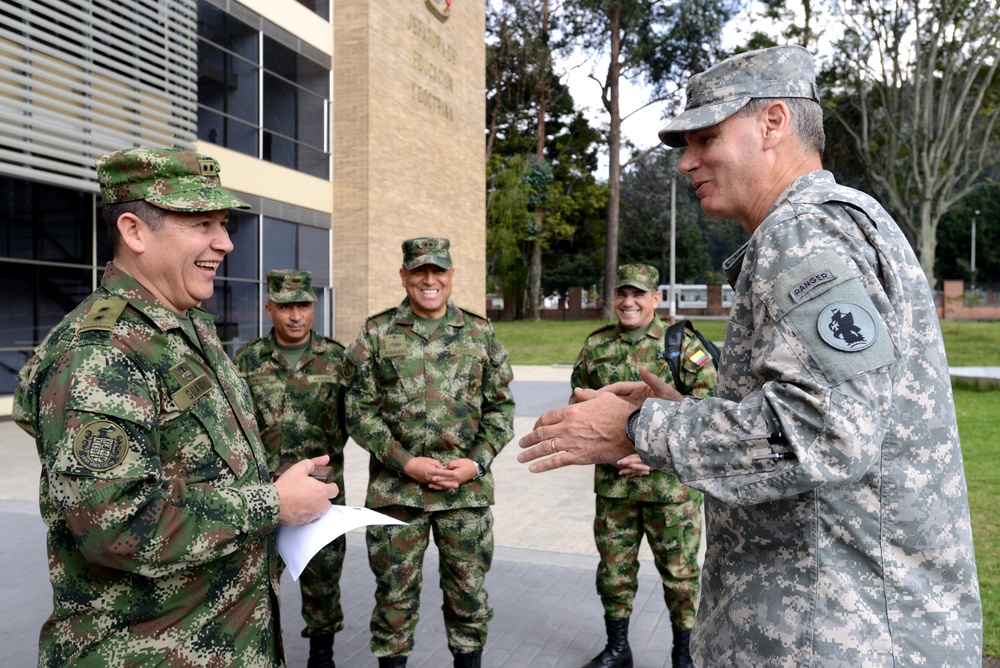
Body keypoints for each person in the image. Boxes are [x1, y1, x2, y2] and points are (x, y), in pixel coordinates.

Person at [517, 45, 983, 666]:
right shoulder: (835, 224)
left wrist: (639, 428)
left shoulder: (804, 233)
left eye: (705, 137)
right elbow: (830, 412)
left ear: (772, 122)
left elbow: (826, 431)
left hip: (835, 635)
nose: (686, 163)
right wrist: (686, 412)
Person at [13, 147, 339, 667]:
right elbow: (117, 524)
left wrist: (272, 487)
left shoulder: (188, 326)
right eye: (201, 222)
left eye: (224, 222)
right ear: (134, 231)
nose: (225, 242)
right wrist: (271, 505)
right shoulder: (100, 351)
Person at [344, 237, 515, 668]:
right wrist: (407, 463)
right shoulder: (375, 332)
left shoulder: (480, 332)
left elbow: (501, 408)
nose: (429, 279)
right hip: (397, 495)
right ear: (404, 276)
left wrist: (475, 463)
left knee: (469, 599)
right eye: (419, 271)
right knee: (394, 602)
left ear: (451, 275)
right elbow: (358, 410)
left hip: (465, 494)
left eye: (438, 270)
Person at [571, 264, 716, 668]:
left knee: (681, 577)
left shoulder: (682, 345)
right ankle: (618, 649)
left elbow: (707, 410)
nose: (628, 302)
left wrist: (651, 455)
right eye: (622, 293)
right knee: (614, 573)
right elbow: (580, 408)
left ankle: (683, 654)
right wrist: (611, 449)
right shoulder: (595, 345)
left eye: (639, 294)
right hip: (614, 487)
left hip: (669, 492)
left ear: (656, 299)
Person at [234, 269, 348, 668]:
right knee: (260, 586)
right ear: (269, 308)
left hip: (322, 496)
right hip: (265, 496)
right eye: (285, 306)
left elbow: (359, 419)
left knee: (323, 583)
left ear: (314, 307)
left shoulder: (337, 359)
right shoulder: (247, 360)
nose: (295, 315)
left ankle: (322, 658)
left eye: (303, 304)